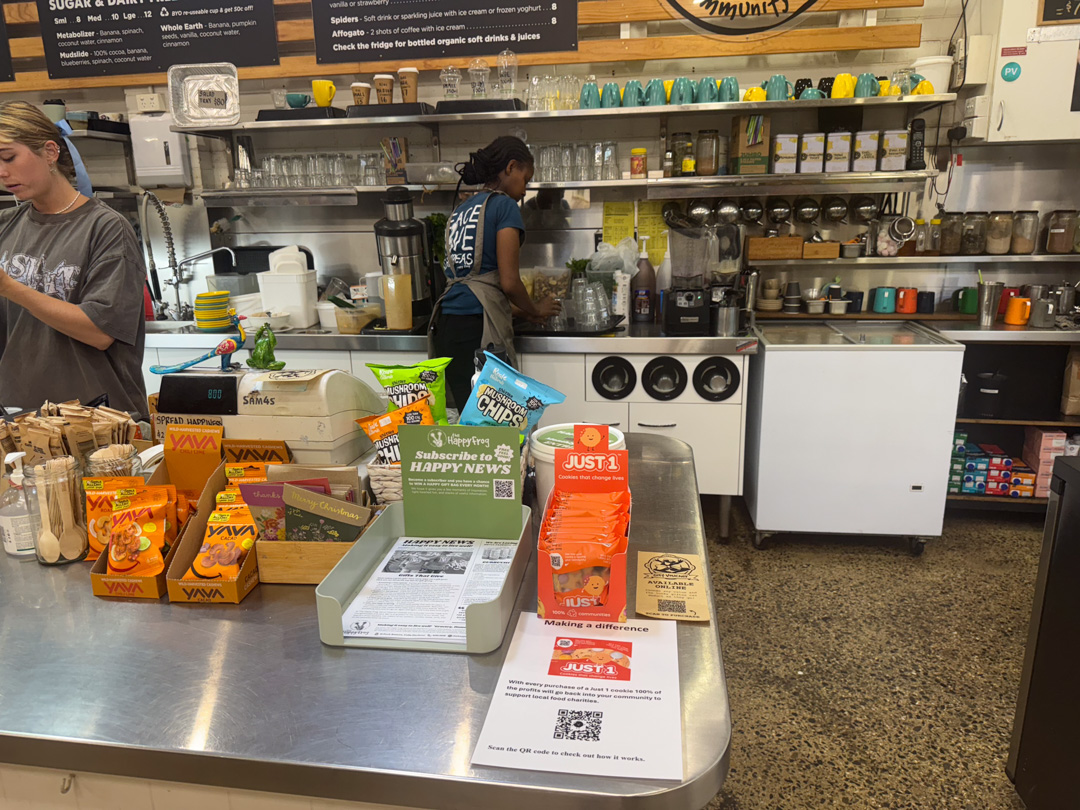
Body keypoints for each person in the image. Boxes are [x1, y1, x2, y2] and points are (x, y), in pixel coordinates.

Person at [0, 101, 147, 417]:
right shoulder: (5, 226)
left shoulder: (106, 228)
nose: (2, 172)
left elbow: (100, 332)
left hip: (98, 422)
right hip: (20, 419)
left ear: (50, 152)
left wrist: (10, 288)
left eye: (8, 157)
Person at [429, 136, 560, 410]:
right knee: (494, 421)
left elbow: (475, 289)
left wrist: (522, 312)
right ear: (511, 167)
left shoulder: (461, 210)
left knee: (468, 420)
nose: (525, 190)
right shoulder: (504, 206)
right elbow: (509, 283)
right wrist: (535, 309)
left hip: (446, 327)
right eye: (525, 179)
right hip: (480, 334)